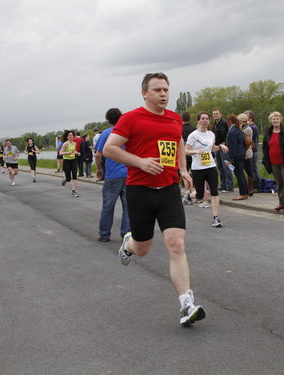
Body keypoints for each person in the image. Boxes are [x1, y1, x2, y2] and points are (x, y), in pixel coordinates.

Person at [103, 72, 205, 326]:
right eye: (157, 90)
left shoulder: (174, 118)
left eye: (166, 90)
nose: (163, 94)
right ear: (145, 93)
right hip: (140, 191)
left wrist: (183, 170)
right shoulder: (131, 119)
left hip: (169, 190)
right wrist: (140, 162)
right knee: (143, 248)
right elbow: (110, 148)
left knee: (176, 244)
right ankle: (129, 244)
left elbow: (179, 142)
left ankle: (186, 304)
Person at [185, 112, 227, 227]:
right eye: (202, 118)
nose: (205, 120)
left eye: (207, 119)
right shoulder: (193, 135)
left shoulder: (211, 134)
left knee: (214, 192)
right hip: (198, 168)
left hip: (210, 166)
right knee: (199, 195)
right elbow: (185, 150)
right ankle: (188, 196)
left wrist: (221, 147)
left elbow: (213, 149)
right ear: (198, 120)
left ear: (209, 121)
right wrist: (196, 151)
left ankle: (216, 218)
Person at [95, 108, 131, 242]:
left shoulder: (106, 133)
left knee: (108, 206)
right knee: (128, 207)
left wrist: (99, 169)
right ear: (121, 117)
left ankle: (104, 234)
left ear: (108, 120)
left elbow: (98, 154)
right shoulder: (128, 132)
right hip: (128, 173)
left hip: (112, 174)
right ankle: (126, 234)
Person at [225, 114, 249, 200]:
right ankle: (246, 192)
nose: (226, 122)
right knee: (241, 173)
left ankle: (242, 194)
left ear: (230, 121)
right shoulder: (239, 129)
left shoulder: (232, 131)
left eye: (227, 120)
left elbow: (232, 147)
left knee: (239, 174)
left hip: (236, 155)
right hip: (242, 154)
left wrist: (230, 159)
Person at [213, 109, 234, 192]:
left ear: (220, 114)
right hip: (217, 147)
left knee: (226, 166)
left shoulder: (225, 123)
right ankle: (223, 185)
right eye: (214, 114)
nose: (215, 115)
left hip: (224, 147)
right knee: (220, 167)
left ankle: (230, 186)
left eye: (217, 114)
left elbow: (228, 135)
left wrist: (225, 145)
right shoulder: (215, 124)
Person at [181, 111, 196, 205]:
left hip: (183, 154)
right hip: (192, 153)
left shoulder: (179, 129)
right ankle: (194, 190)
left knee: (185, 174)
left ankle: (188, 192)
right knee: (193, 173)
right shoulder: (194, 129)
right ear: (190, 119)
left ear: (182, 119)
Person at [59, 130, 80, 197]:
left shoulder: (74, 143)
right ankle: (65, 180)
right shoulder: (65, 144)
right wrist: (67, 153)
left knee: (74, 176)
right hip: (66, 161)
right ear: (67, 137)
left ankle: (74, 191)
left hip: (73, 160)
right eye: (69, 135)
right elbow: (60, 153)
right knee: (68, 178)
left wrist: (77, 153)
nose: (71, 136)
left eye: (72, 135)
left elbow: (74, 151)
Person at [245, 110, 262, 193]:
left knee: (253, 168)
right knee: (252, 168)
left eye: (246, 116)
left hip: (253, 150)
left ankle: (257, 186)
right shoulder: (250, 127)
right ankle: (253, 185)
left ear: (250, 118)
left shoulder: (252, 127)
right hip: (251, 150)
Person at [239, 113, 255, 196]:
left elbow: (246, 142)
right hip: (243, 152)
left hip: (247, 152)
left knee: (249, 170)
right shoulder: (242, 128)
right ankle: (246, 188)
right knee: (244, 170)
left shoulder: (247, 129)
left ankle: (250, 189)